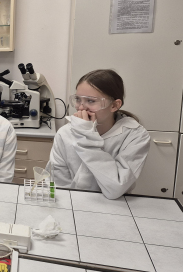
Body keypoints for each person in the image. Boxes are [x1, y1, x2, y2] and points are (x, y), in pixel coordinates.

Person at [48, 69, 150, 199]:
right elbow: (58, 182)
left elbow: (116, 187)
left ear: (114, 105)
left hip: (116, 205)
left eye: (91, 101)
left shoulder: (135, 135)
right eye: (78, 99)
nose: (81, 107)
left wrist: (86, 136)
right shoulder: (65, 133)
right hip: (72, 201)